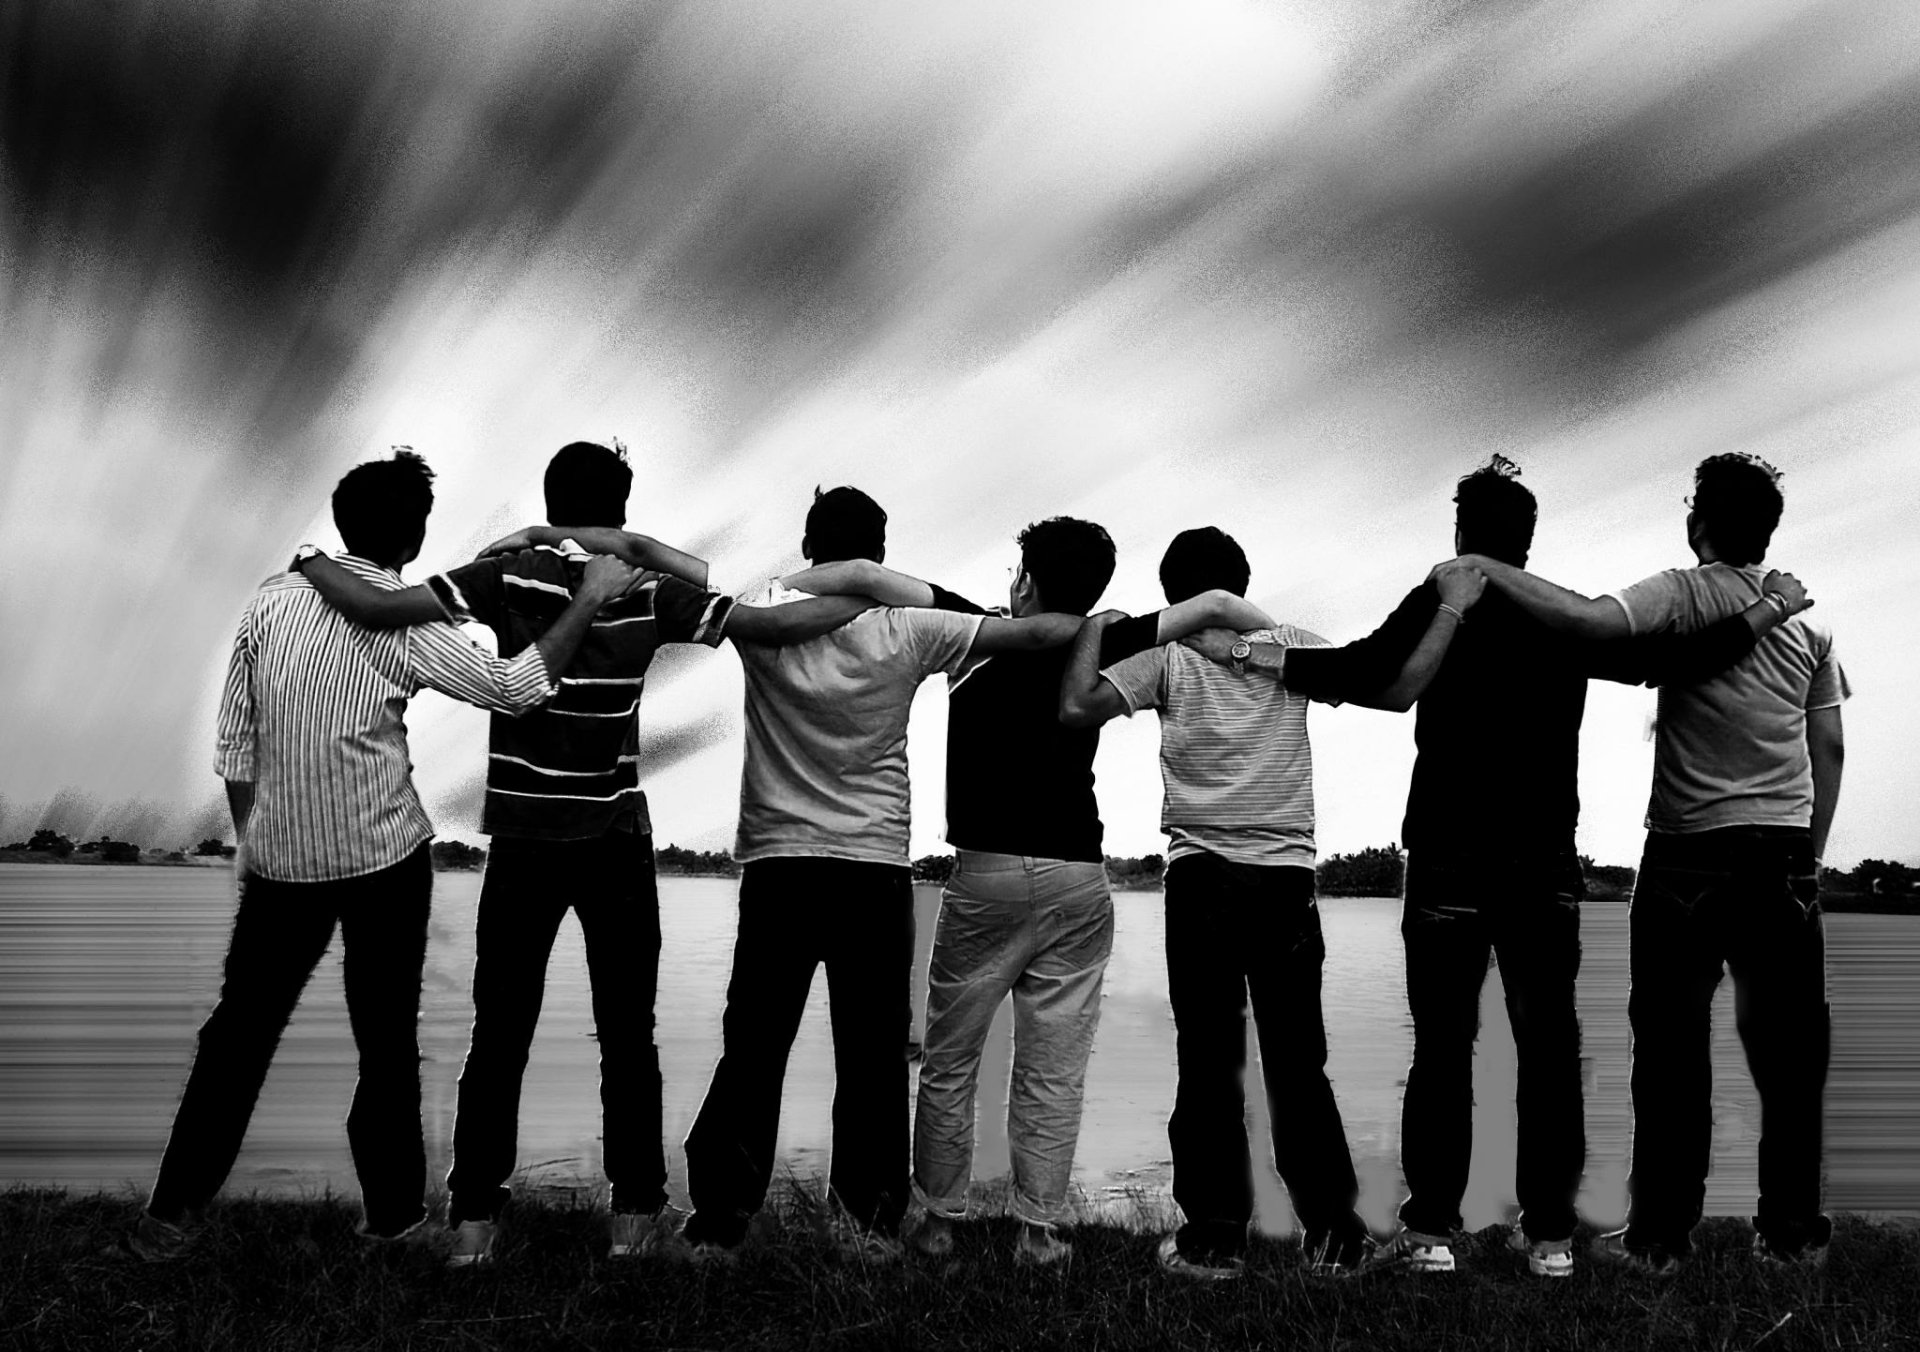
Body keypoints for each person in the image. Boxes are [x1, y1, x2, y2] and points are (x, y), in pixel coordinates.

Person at [1182, 456, 1812, 1280]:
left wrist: (1253, 656)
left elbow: (1367, 668)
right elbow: (1670, 663)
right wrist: (1763, 613)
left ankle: (1435, 1231)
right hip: (1546, 861)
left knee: (1443, 1047)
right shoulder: (1566, 621)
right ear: (1529, 538)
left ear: (1461, 533)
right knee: (1549, 1047)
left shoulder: (1448, 592)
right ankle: (1550, 1237)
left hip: (1449, 852)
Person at [293, 442, 873, 1266]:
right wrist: (877, 595)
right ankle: (634, 1221)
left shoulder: (508, 575)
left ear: (550, 500)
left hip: (526, 840)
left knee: (498, 1036)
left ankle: (473, 1224)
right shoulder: (646, 588)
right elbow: (771, 622)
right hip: (614, 843)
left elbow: (382, 609)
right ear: (624, 509)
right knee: (627, 1036)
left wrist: (313, 559)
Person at [123, 449, 631, 1261]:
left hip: (280, 863)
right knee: (385, 1043)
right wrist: (593, 598)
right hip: (383, 862)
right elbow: (516, 688)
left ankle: (169, 1216)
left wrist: (254, 844)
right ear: (416, 533)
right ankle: (394, 1219)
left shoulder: (270, 602)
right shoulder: (408, 616)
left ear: (341, 520)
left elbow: (236, 747)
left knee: (237, 1039)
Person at [781, 519, 1279, 1264]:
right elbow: (1213, 605)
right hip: (1079, 879)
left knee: (950, 1060)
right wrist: (1272, 633)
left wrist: (779, 587)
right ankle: (1040, 1233)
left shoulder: (972, 633)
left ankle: (939, 1221)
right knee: (1053, 1068)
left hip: (986, 876)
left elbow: (865, 575)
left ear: (1025, 579)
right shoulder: (1108, 640)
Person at [679, 487, 1107, 1263]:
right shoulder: (914, 628)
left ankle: (716, 1223)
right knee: (873, 1053)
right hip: (873, 866)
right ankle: (870, 1226)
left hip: (779, 862)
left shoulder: (758, 618)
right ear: (877, 552)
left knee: (753, 1045)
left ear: (810, 547)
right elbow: (1045, 631)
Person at [1058, 526, 1488, 1279]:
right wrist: (1447, 617)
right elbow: (1394, 689)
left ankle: (1217, 1240)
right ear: (1242, 581)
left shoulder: (1168, 653)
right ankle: (1334, 1235)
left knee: (1210, 1062)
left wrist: (1098, 628)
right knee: (1299, 1064)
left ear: (1175, 597)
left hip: (1202, 880)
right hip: (1286, 881)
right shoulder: (1290, 646)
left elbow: (1075, 705)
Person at [1458, 453, 1846, 1274]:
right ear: (1769, 531)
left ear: (1696, 523)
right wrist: (1808, 860)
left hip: (1686, 855)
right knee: (1790, 1059)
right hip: (1783, 855)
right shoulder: (1809, 626)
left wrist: (1485, 567)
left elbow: (1597, 623)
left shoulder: (1680, 589)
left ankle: (1663, 1239)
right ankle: (1790, 1234)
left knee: (1670, 1056)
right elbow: (1830, 745)